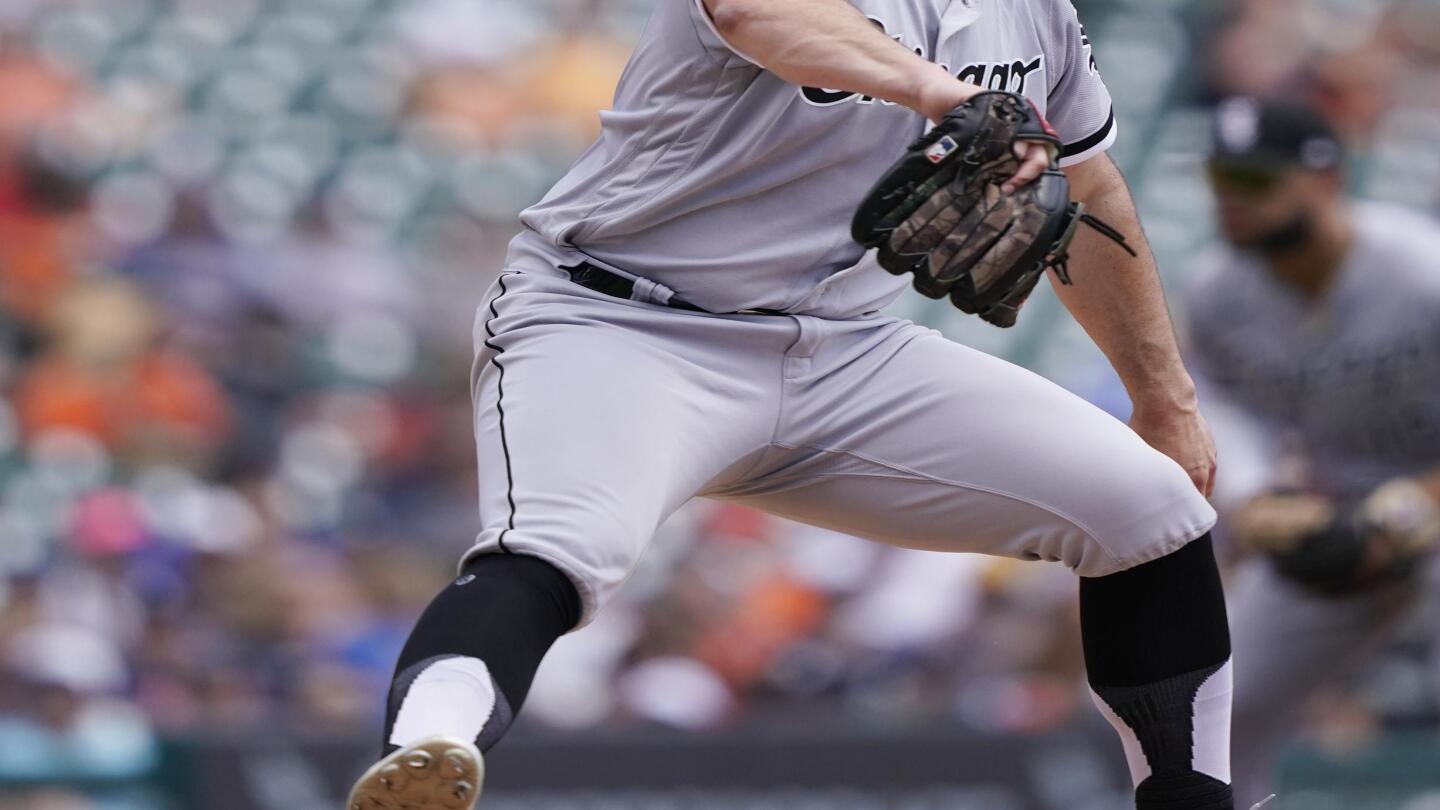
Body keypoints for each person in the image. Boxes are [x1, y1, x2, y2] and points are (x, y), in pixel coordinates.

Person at [347, 1, 1239, 808]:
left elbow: (1090, 188)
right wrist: (938, 93)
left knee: (1149, 508)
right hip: (622, 323)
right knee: (554, 553)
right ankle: (431, 746)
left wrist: (1164, 399)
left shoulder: (1036, 16)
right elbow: (750, 10)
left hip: (843, 350)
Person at [1185, 96, 1440, 806]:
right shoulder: (1217, 292)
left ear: (1326, 181)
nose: (1230, 198)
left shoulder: (1422, 272)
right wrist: (1257, 495)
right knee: (1213, 711)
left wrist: (1415, 507)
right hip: (1341, 514)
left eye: (1256, 180)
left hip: (1420, 497)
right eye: (1220, 179)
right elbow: (1223, 407)